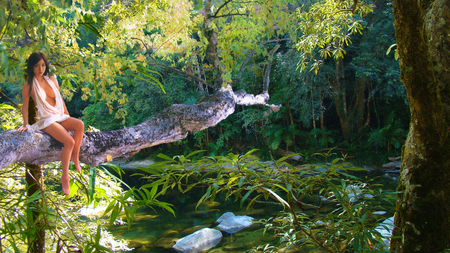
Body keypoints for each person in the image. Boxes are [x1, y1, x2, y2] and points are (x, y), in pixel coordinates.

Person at [17, 52, 84, 195]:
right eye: (36, 65)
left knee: (80, 125)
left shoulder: (52, 80)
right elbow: (25, 106)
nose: (40, 68)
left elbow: (60, 100)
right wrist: (26, 124)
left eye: (42, 65)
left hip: (59, 115)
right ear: (31, 67)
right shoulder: (29, 85)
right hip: (46, 120)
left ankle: (75, 157)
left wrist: (67, 116)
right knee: (69, 142)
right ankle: (64, 176)